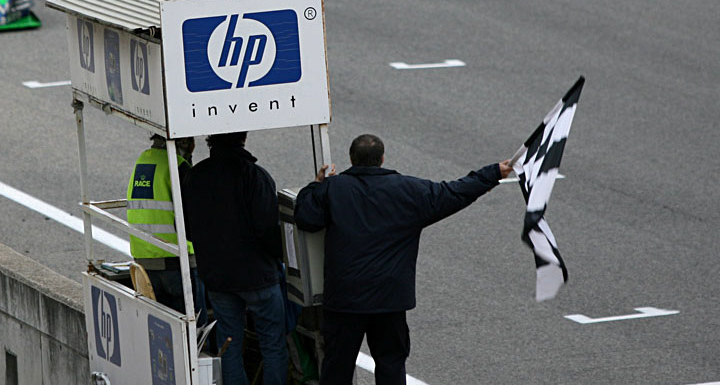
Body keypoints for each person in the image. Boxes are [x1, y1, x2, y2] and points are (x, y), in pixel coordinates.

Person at [294, 133, 512, 385]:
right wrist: (493, 172)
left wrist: (316, 185)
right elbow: (456, 192)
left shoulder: (333, 188)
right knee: (391, 364)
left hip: (345, 299)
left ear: (351, 159)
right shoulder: (409, 190)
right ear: (382, 159)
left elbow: (306, 218)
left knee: (337, 367)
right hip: (390, 301)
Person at [182, 132, 288, 385]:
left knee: (229, 344)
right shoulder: (255, 176)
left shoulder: (195, 176)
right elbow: (267, 229)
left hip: (218, 276)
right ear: (243, 139)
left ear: (210, 141)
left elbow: (187, 225)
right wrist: (278, 258)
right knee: (273, 345)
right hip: (258, 275)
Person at [126, 134, 205, 318]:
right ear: (185, 143)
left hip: (145, 260)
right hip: (176, 261)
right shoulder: (177, 166)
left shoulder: (143, 161)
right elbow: (193, 215)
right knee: (195, 329)